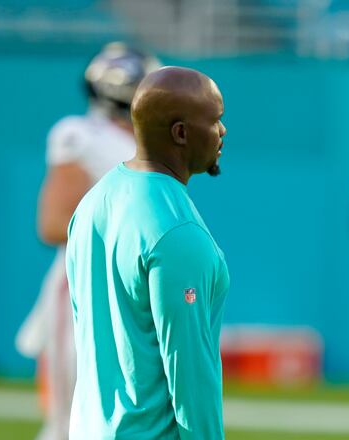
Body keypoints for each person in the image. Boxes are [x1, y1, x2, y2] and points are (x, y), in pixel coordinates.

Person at [65, 66, 229, 439]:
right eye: (215, 120)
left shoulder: (93, 202)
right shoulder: (176, 232)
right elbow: (189, 373)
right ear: (181, 133)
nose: (222, 131)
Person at [15, 42, 160, 440]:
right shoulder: (81, 135)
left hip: (134, 289)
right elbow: (53, 224)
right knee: (74, 419)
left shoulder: (149, 144)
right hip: (86, 283)